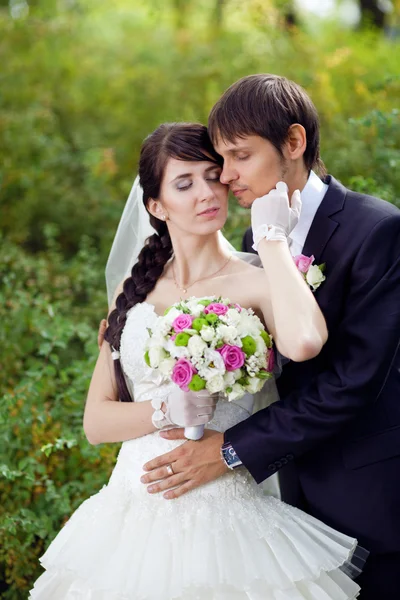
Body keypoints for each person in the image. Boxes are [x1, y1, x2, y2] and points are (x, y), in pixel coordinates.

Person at [29, 122, 365, 599]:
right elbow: (96, 422)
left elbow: (306, 343)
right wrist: (166, 409)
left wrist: (272, 242)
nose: (207, 193)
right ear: (156, 205)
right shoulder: (134, 294)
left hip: (227, 514)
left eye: (213, 176)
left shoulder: (257, 277)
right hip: (129, 521)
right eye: (184, 184)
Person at [142, 75, 400, 599]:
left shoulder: (376, 230)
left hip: (369, 494)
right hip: (284, 492)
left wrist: (231, 450)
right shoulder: (247, 239)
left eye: (240, 156)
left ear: (294, 143)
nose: (226, 177)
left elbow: (352, 382)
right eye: (222, 158)